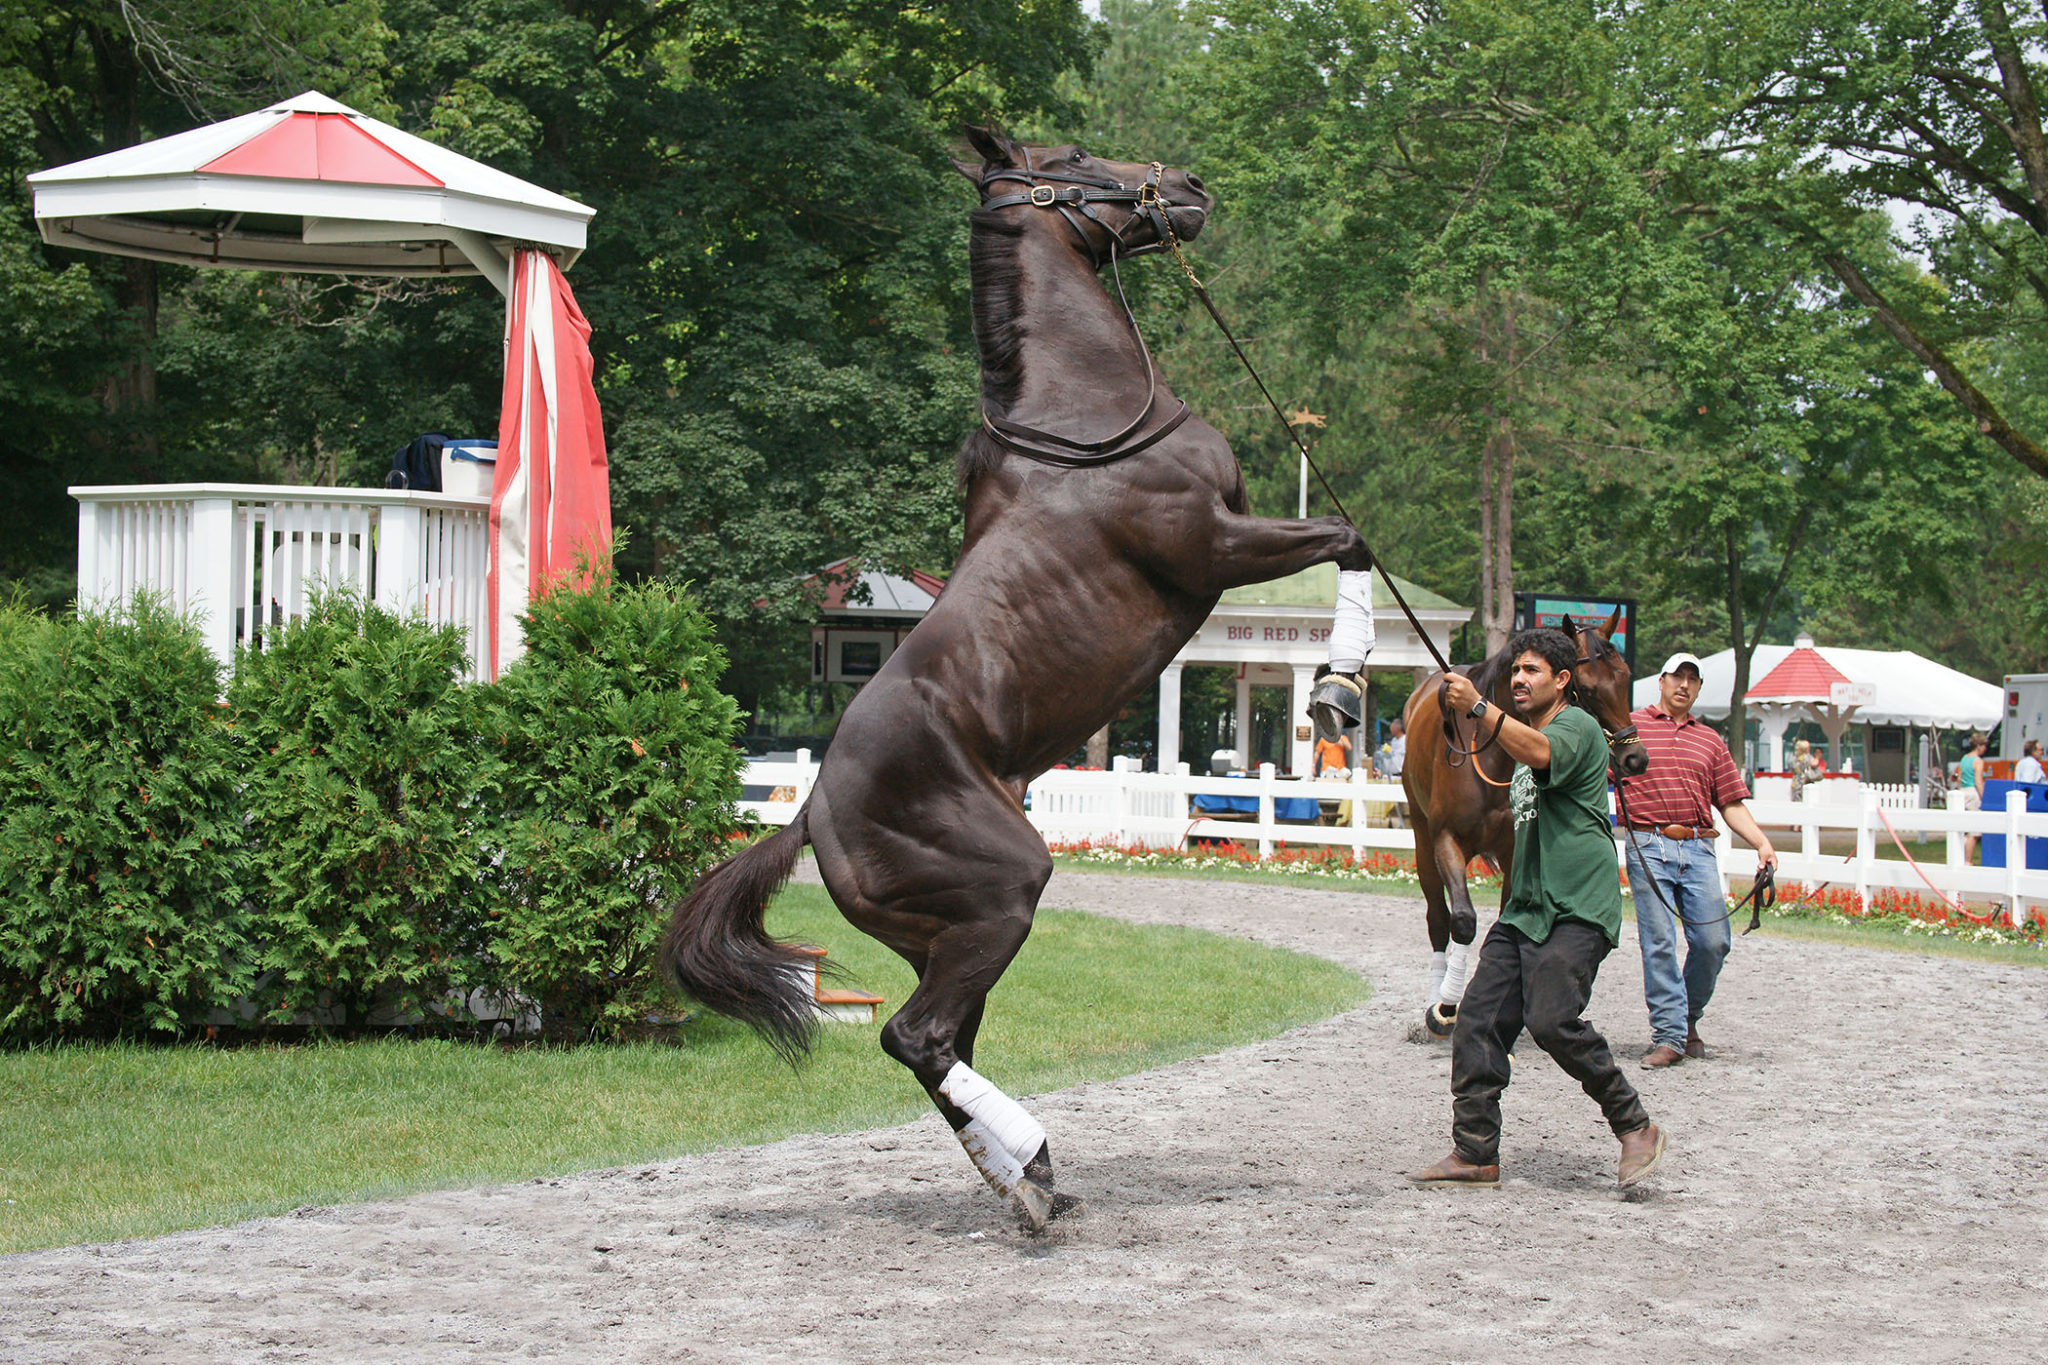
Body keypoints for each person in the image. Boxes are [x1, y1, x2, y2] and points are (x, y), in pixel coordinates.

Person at [1408, 628, 1665, 1191]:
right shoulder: (1522, 748)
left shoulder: (1576, 729)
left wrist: (1478, 706)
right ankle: (1475, 1152)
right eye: (1515, 671)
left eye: (1533, 672)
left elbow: (1541, 751)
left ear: (1563, 681)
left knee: (1551, 1020)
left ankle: (1635, 1126)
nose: (1519, 680)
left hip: (1576, 906)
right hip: (1526, 910)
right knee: (1476, 1022)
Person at [1617, 653, 1780, 1069]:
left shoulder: (1710, 740)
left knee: (1714, 941)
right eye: (1677, 677)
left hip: (1698, 846)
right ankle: (1670, 1035)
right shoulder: (1628, 729)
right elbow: (1592, 776)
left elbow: (1730, 802)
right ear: (1662, 680)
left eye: (1693, 679)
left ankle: (1686, 1018)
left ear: (1699, 688)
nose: (1684, 685)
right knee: (1660, 942)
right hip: (1648, 843)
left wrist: (1762, 842)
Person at [1960, 734, 1989, 863]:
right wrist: (1984, 798)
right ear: (1978, 746)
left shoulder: (1964, 759)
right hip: (1973, 793)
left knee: (1964, 829)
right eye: (1984, 746)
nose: (1985, 748)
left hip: (1963, 792)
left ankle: (1961, 859)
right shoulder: (1978, 761)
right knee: (1974, 832)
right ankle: (1968, 861)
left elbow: (1959, 778)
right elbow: (1978, 781)